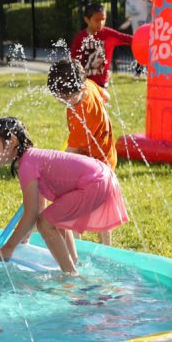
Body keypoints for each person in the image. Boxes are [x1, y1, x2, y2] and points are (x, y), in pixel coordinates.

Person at [0, 118, 128, 275]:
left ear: (11, 141)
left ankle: (70, 274)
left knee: (45, 223)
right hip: (104, 176)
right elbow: (38, 209)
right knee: (53, 218)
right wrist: (24, 237)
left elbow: (31, 215)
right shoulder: (33, 159)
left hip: (95, 182)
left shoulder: (27, 165)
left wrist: (8, 248)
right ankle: (73, 262)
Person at [47, 59, 117, 245]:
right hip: (107, 156)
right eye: (59, 98)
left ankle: (78, 244)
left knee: (76, 202)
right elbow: (107, 96)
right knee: (101, 204)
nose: (64, 102)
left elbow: (72, 153)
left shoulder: (83, 115)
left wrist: (51, 166)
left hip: (92, 165)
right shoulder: (88, 84)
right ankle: (105, 246)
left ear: (80, 90)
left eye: (67, 98)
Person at [70, 3, 133, 90]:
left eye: (103, 19)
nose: (101, 23)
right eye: (97, 20)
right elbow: (73, 59)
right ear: (87, 20)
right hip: (84, 83)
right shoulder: (80, 38)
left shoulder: (108, 35)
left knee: (101, 101)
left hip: (102, 84)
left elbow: (130, 39)